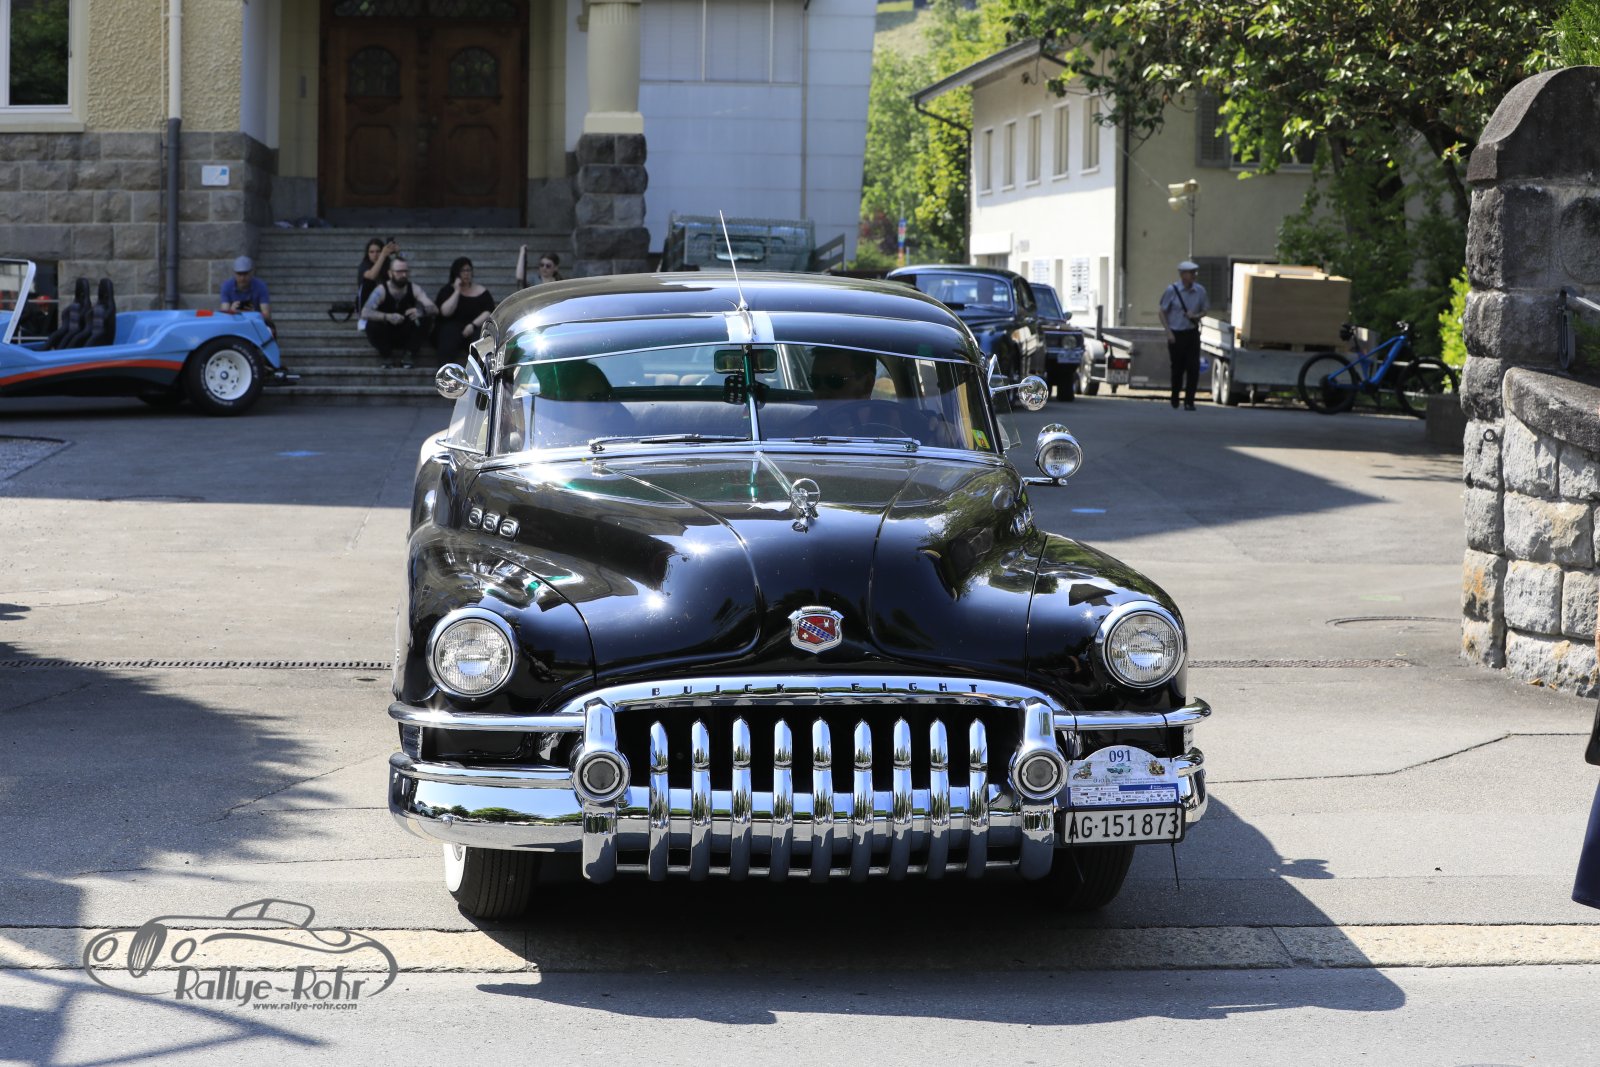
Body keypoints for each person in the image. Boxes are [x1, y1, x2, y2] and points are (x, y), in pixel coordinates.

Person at [360, 256, 438, 369]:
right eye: (399, 272)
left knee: (426, 319)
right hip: (386, 333)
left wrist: (421, 311)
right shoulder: (381, 290)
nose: (404, 275)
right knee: (372, 324)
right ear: (390, 273)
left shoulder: (414, 288)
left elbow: (434, 309)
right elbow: (365, 312)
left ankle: (409, 355)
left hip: (406, 332)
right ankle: (386, 355)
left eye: (406, 271)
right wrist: (387, 316)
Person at [1159, 259, 1208, 411]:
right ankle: (1175, 396)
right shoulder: (1172, 290)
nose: (1194, 275)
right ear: (1182, 275)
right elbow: (1162, 312)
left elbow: (1205, 310)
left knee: (1193, 367)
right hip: (1176, 334)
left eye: (1195, 272)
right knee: (1177, 368)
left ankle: (1189, 401)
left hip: (1192, 333)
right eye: (1191, 273)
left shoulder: (1200, 291)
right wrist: (1168, 332)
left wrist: (1196, 315)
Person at [434, 257, 495, 366]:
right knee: (448, 332)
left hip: (474, 327)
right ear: (456, 273)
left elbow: (488, 311)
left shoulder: (482, 291)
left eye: (468, 270)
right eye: (462, 271)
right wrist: (457, 291)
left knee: (482, 335)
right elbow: (445, 312)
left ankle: (480, 368)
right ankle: (446, 368)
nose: (466, 274)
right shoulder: (447, 290)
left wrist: (472, 325)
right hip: (452, 329)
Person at [220, 256, 272, 332]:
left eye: (245, 274)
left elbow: (267, 315)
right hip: (234, 324)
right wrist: (231, 310)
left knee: (270, 329)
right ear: (234, 273)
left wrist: (253, 313)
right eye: (239, 274)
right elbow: (224, 315)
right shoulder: (227, 286)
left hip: (256, 324)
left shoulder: (261, 286)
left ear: (251, 273)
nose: (242, 278)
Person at [357, 237, 398, 314]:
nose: (375, 255)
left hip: (386, 306)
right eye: (371, 252)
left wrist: (397, 254)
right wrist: (383, 255)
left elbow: (400, 276)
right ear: (367, 253)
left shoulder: (387, 264)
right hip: (367, 307)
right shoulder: (364, 265)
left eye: (378, 251)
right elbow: (372, 276)